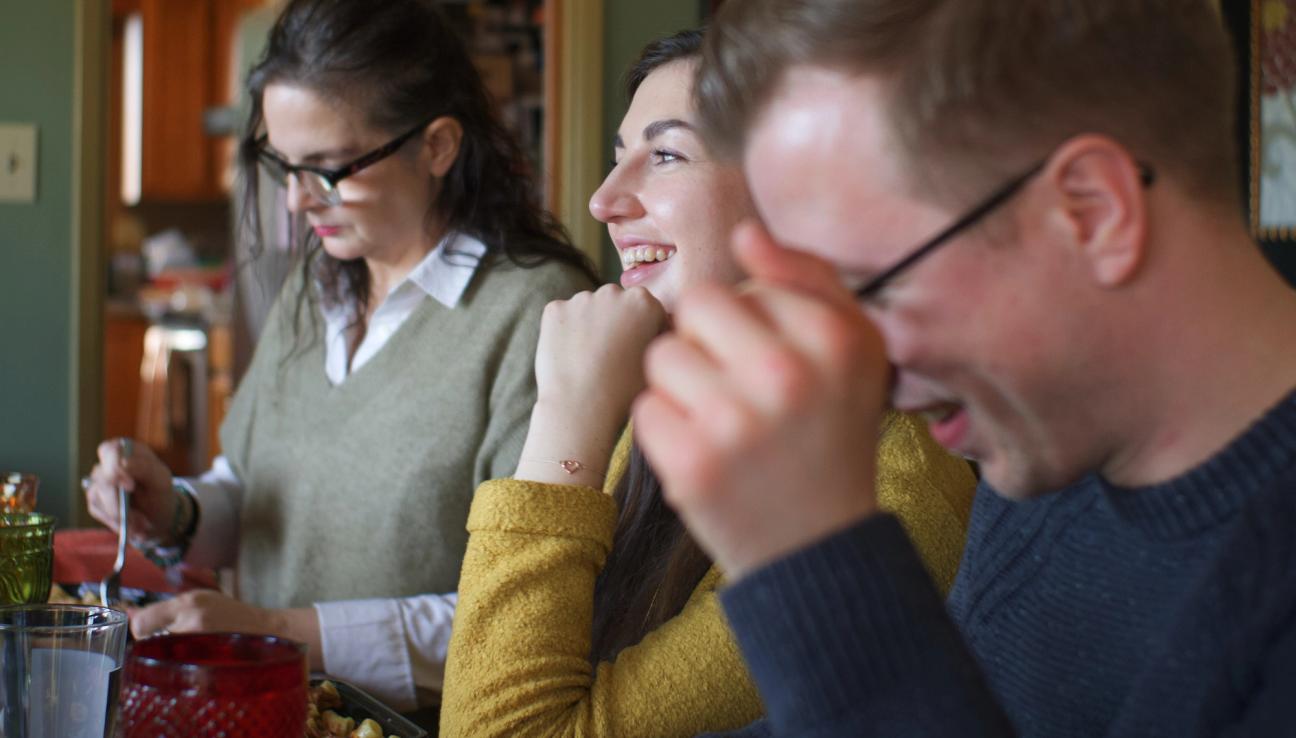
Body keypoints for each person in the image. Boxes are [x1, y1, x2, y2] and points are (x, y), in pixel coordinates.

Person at [631, 1, 1296, 737]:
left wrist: (810, 564)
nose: (861, 370)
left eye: (865, 286)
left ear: (1092, 211)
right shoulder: (1047, 438)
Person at [438, 29, 977, 738]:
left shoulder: (891, 499)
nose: (603, 200)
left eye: (664, 155)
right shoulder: (690, 398)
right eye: (617, 157)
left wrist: (565, 418)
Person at [82, 0, 595, 720]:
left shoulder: (540, 314)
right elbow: (258, 488)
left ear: (439, 145)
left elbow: (522, 623)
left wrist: (280, 633)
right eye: (284, 167)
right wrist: (175, 509)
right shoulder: (316, 281)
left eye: (327, 169)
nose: (296, 202)